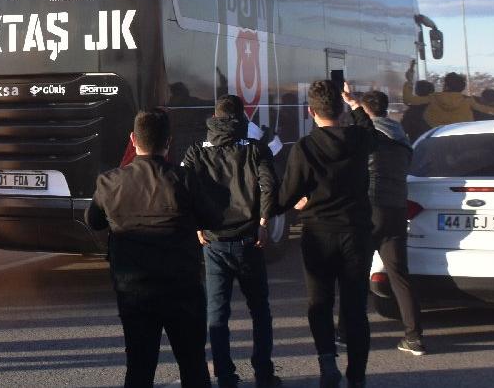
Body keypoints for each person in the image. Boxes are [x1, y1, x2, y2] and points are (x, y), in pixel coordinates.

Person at [87, 109, 217, 388]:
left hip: (134, 290)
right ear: (168, 141)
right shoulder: (184, 179)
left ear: (133, 140)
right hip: (182, 288)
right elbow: (213, 218)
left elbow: (94, 221)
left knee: (139, 368)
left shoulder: (110, 181)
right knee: (193, 365)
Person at [277, 80, 373, 388]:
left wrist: (295, 202)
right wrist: (355, 104)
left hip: (318, 233)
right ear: (341, 109)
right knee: (355, 308)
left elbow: (286, 195)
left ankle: (327, 360)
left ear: (310, 111)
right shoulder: (360, 139)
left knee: (319, 302)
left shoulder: (305, 147)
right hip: (356, 233)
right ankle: (356, 375)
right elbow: (368, 126)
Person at [183, 95, 282, 388]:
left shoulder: (196, 151)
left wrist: (197, 225)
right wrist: (263, 222)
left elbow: (184, 189)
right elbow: (269, 186)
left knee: (217, 313)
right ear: (242, 118)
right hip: (249, 240)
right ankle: (263, 373)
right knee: (259, 310)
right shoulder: (255, 148)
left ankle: (225, 376)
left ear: (215, 117)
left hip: (213, 242)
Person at [342, 86, 425, 356]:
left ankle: (347, 333)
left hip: (370, 208)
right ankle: (414, 337)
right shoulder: (402, 138)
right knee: (399, 275)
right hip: (397, 209)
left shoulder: (367, 136)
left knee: (355, 274)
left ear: (366, 110)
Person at [401, 62, 494, 128]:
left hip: (436, 138)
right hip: (460, 139)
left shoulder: (433, 98)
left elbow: (409, 100)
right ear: (462, 88)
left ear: (446, 86)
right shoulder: (468, 101)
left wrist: (409, 80)